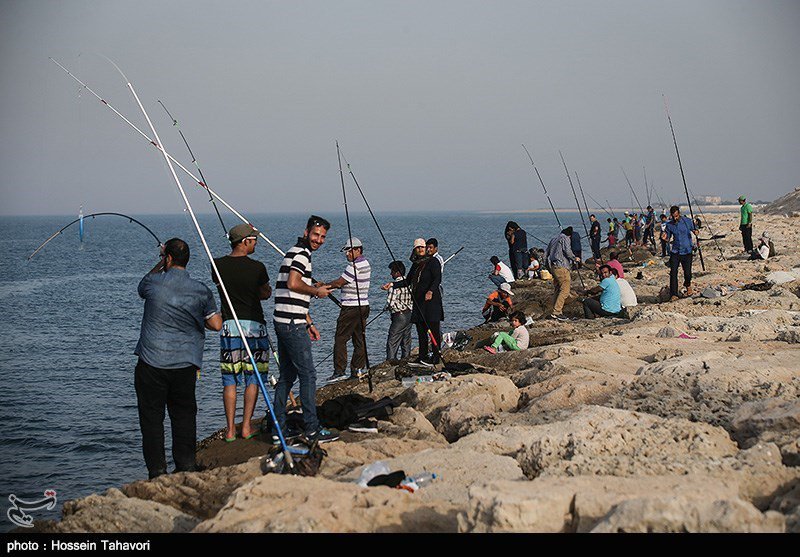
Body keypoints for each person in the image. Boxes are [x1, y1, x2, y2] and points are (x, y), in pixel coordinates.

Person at [134, 238, 222, 479]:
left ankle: (157, 471)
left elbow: (141, 288)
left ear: (168, 258)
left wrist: (160, 263)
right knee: (183, 415)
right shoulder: (201, 290)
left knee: (152, 419)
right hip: (185, 363)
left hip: (151, 362)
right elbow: (216, 324)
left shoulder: (153, 283)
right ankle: (185, 466)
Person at [272, 215, 338, 444]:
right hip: (291, 324)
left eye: (322, 237)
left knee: (287, 376)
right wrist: (316, 291)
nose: (319, 240)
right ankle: (312, 428)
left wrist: (309, 321)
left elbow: (292, 291)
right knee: (308, 375)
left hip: (285, 320)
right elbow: (293, 283)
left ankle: (276, 428)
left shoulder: (293, 252)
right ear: (306, 232)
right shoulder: (302, 255)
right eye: (316, 234)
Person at [212, 223, 272, 442]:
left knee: (229, 379)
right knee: (253, 378)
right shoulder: (258, 268)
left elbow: (220, 284)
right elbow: (265, 293)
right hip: (255, 328)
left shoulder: (216, 265)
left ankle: (230, 431)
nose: (256, 242)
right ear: (245, 241)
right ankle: (246, 427)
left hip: (230, 327)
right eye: (254, 240)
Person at [324, 237, 371, 382]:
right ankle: (357, 369)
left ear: (358, 250)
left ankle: (339, 371)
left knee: (340, 338)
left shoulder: (354, 266)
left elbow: (340, 282)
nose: (347, 254)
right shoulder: (366, 263)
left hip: (351, 308)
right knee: (359, 339)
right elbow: (346, 283)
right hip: (363, 306)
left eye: (349, 251)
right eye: (346, 251)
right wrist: (326, 286)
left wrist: (323, 287)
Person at [408, 238, 444, 367]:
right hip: (419, 303)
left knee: (433, 330)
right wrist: (392, 285)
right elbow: (407, 281)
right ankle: (422, 356)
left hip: (432, 303)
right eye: (419, 248)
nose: (423, 250)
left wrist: (430, 291)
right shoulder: (416, 264)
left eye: (424, 247)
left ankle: (436, 356)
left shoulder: (433, 262)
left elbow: (437, 278)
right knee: (421, 331)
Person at [663, 205, 698, 301]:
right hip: (675, 252)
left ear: (679, 214)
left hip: (687, 251)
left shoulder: (687, 221)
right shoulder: (669, 225)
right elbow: (667, 237)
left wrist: (696, 231)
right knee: (673, 273)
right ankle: (673, 294)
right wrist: (665, 237)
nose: (675, 218)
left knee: (688, 273)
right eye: (673, 216)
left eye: (677, 216)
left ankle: (688, 285)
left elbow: (695, 228)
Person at [545, 227, 580, 321]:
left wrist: (548, 268)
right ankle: (557, 312)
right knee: (565, 290)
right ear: (570, 235)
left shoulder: (553, 239)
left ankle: (555, 312)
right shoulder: (565, 238)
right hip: (562, 267)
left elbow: (546, 255)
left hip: (554, 267)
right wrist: (575, 258)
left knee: (557, 289)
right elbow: (568, 251)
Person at [383, 260, 413, 362]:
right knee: (406, 340)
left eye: (392, 271)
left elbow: (390, 303)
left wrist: (386, 308)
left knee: (392, 340)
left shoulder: (394, 285)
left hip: (399, 315)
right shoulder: (409, 283)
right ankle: (406, 361)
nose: (391, 273)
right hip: (409, 314)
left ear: (397, 272)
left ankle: (391, 362)